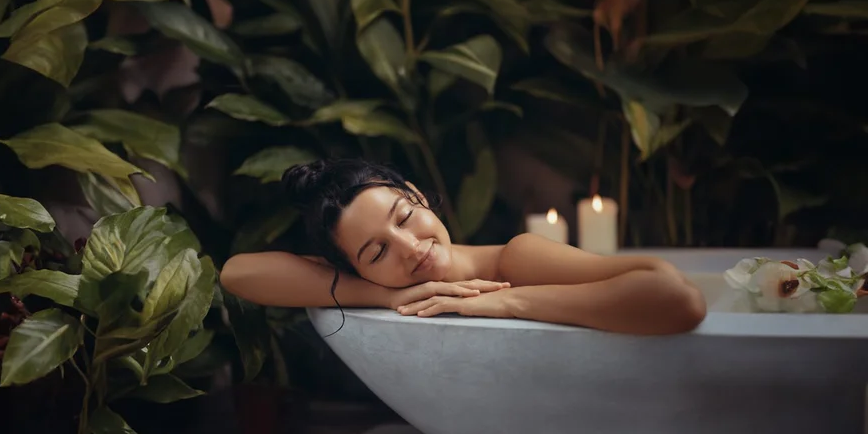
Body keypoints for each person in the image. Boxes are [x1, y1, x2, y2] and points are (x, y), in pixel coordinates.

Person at [219, 159, 707, 336]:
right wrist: (385, 296)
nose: (409, 247)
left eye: (405, 217)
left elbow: (678, 298)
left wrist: (506, 302)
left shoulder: (516, 258)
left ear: (418, 195)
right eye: (376, 253)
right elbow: (236, 273)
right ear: (355, 269)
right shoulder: (381, 286)